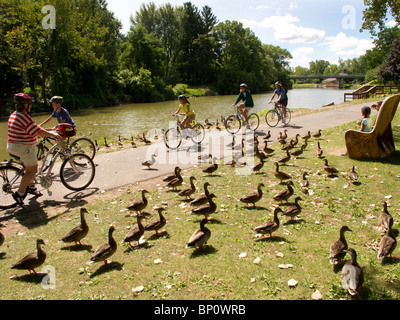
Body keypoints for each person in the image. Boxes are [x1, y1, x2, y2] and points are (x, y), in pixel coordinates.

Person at [7, 93, 66, 208]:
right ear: (25, 105)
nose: (30, 106)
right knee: (32, 170)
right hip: (23, 148)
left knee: (29, 167)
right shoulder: (24, 117)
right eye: (29, 104)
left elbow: (31, 129)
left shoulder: (14, 115)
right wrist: (54, 135)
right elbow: (38, 131)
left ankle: (32, 187)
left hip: (13, 146)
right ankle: (19, 194)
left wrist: (39, 132)